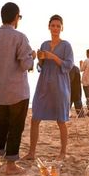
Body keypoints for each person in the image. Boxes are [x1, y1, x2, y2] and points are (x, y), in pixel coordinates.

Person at [0, 2, 36, 175]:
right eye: (19, 17)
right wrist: (32, 55)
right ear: (15, 17)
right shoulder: (19, 37)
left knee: (2, 123)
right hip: (17, 91)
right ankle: (10, 164)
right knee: (16, 126)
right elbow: (26, 64)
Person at [23, 14, 74, 161]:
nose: (55, 28)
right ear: (49, 27)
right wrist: (40, 59)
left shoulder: (66, 45)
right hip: (44, 84)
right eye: (53, 25)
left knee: (61, 120)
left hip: (60, 85)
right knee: (35, 118)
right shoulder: (44, 44)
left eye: (58, 26)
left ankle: (63, 152)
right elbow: (40, 67)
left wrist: (53, 57)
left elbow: (69, 65)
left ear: (62, 28)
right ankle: (32, 152)